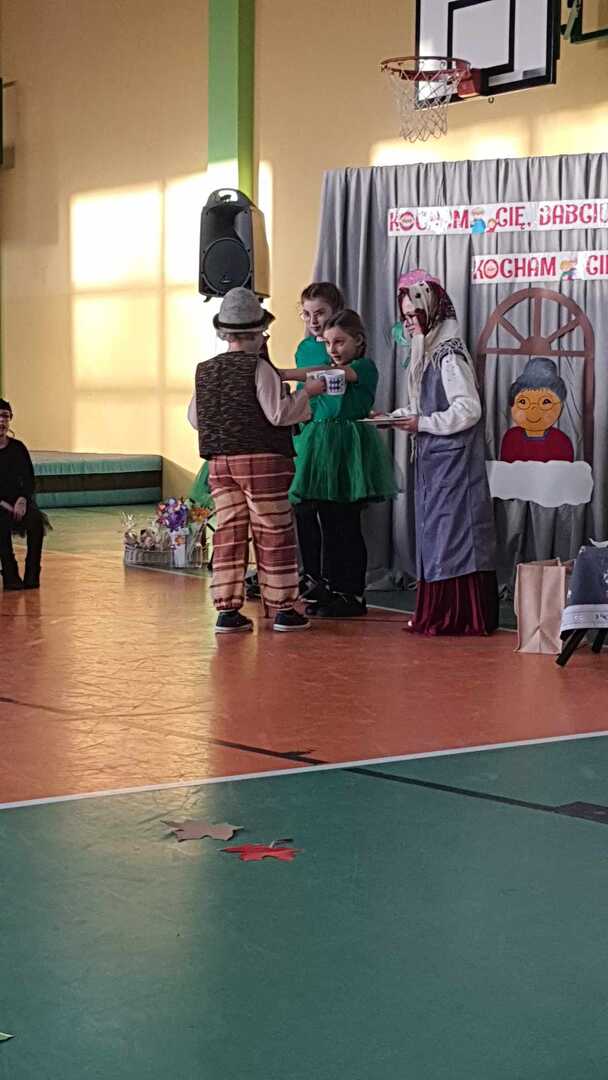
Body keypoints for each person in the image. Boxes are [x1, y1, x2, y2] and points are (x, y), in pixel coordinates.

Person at [188, 288, 324, 634]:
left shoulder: (205, 371)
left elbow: (194, 419)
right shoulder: (259, 368)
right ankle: (283, 608)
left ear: (225, 333)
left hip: (219, 463)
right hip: (263, 461)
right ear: (257, 332)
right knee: (272, 530)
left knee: (229, 533)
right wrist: (307, 393)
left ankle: (227, 610)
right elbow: (279, 414)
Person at [392, 270, 498, 636]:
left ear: (432, 311)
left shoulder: (449, 356)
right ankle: (439, 613)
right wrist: (396, 418)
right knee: (438, 536)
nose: (409, 323)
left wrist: (421, 423)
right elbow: (428, 404)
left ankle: (458, 615)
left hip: (455, 464)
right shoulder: (431, 351)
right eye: (405, 317)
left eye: (414, 315)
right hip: (437, 463)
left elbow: (468, 409)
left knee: (454, 536)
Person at [281, 309, 397, 618]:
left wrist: (284, 373)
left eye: (340, 342)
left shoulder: (363, 368)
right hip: (321, 449)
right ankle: (332, 589)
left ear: (358, 341)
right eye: (328, 343)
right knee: (328, 523)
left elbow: (329, 374)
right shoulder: (331, 368)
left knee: (347, 524)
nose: (333, 349)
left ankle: (352, 593)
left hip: (347, 450)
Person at [293, 282, 345, 606]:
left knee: (333, 514)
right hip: (308, 435)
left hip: (334, 436)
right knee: (303, 509)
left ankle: (333, 580)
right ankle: (310, 574)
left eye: (320, 313)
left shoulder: (340, 346)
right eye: (307, 314)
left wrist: (287, 374)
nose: (313, 320)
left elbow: (330, 373)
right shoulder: (304, 347)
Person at [0, 399, 46, 591]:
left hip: (17, 501)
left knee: (36, 520)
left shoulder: (18, 448)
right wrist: (5, 505)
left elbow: (29, 479)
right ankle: (9, 572)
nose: (1, 421)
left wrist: (22, 499)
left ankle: (32, 572)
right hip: (0, 504)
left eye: (5, 416)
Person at [500, 357, 574, 463]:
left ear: (560, 406)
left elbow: (564, 470)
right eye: (523, 402)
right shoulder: (511, 438)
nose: (534, 409)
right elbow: (506, 468)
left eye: (546, 402)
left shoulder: (561, 440)